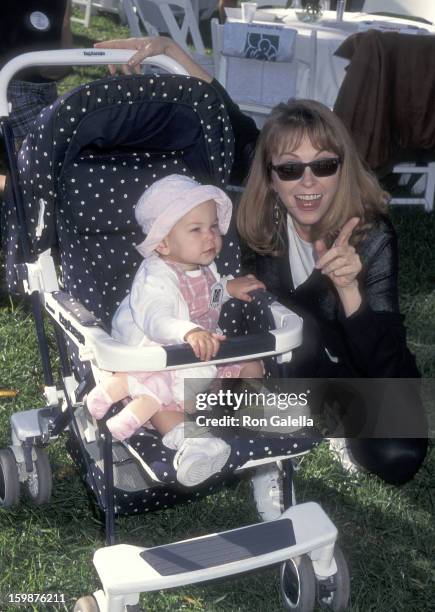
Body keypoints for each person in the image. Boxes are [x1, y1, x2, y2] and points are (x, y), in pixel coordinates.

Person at [93, 37, 427, 496]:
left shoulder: (371, 236)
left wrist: (351, 291)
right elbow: (232, 121)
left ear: (342, 168)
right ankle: (305, 419)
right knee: (201, 395)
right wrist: (171, 52)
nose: (307, 183)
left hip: (364, 371)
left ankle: (322, 420)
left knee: (398, 456)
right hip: (293, 371)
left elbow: (388, 367)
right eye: (290, 169)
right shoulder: (266, 217)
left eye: (324, 166)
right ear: (270, 176)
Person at [87, 174, 264, 488]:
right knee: (160, 403)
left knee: (252, 365)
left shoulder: (204, 266)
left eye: (212, 227)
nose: (210, 236)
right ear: (163, 242)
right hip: (162, 356)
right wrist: (188, 331)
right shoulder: (154, 276)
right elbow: (157, 317)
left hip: (202, 353)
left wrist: (227, 288)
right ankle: (192, 444)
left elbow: (206, 296)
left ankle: (239, 413)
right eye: (196, 229)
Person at [0, 0, 72, 192]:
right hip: (10, 85)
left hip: (43, 88)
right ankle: (15, 187)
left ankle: (18, 185)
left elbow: (59, 67)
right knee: (41, 169)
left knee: (58, 156)